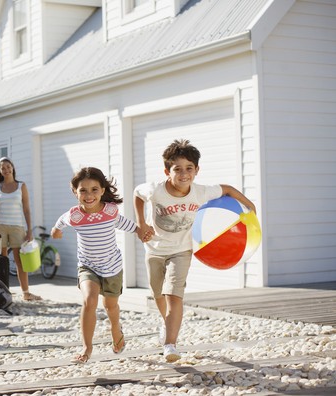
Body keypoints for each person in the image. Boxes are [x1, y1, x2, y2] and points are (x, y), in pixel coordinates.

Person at [133, 139, 256, 362]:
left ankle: (170, 345)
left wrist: (250, 206)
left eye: (189, 168)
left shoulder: (201, 192)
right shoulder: (155, 189)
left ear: (197, 170)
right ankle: (166, 322)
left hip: (182, 250)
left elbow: (227, 189)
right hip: (154, 249)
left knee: (174, 294)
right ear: (166, 171)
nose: (184, 174)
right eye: (177, 169)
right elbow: (137, 194)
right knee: (158, 293)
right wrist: (141, 224)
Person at [51, 167, 143, 364]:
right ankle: (87, 348)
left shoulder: (110, 211)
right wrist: (56, 231)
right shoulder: (74, 215)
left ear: (102, 190)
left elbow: (124, 223)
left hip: (112, 267)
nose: (89, 195)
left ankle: (115, 328)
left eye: (94, 189)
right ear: (75, 192)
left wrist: (140, 231)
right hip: (88, 266)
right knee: (89, 300)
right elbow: (61, 221)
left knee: (111, 306)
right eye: (83, 190)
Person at [0, 157, 42, 301]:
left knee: (20, 261)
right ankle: (4, 291)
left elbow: (26, 209)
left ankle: (26, 293)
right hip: (0, 227)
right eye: (2, 168)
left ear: (12, 167)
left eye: (8, 166)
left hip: (17, 227)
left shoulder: (21, 186)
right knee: (2, 261)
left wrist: (30, 230)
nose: (6, 170)